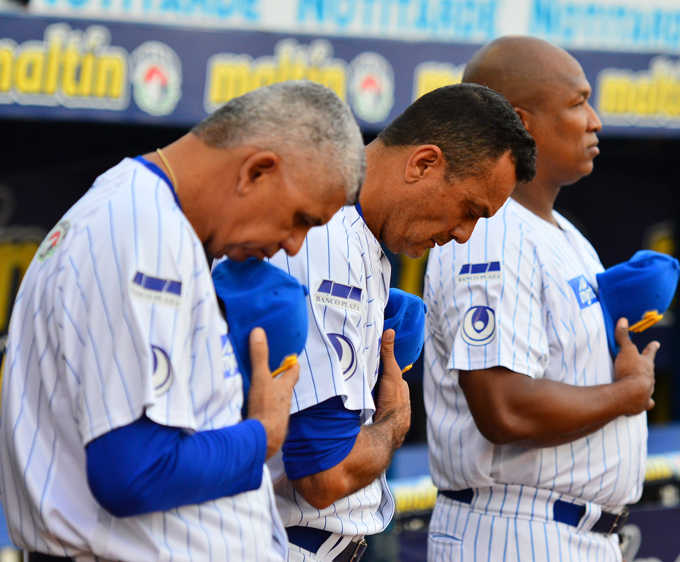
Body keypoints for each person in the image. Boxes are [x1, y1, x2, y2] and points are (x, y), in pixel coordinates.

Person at [0, 81, 365, 562]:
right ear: (257, 171)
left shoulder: (145, 216)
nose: (294, 245)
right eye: (300, 218)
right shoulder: (142, 230)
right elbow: (135, 473)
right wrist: (263, 433)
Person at [267, 83, 538, 562]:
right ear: (423, 163)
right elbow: (323, 478)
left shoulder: (363, 239)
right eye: (470, 210)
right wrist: (394, 420)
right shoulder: (326, 236)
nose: (463, 233)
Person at [424, 37, 658, 561]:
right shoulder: (489, 227)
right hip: (514, 529)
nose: (595, 120)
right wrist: (626, 393)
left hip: (571, 531)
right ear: (522, 123)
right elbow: (503, 407)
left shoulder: (562, 232)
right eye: (578, 102)